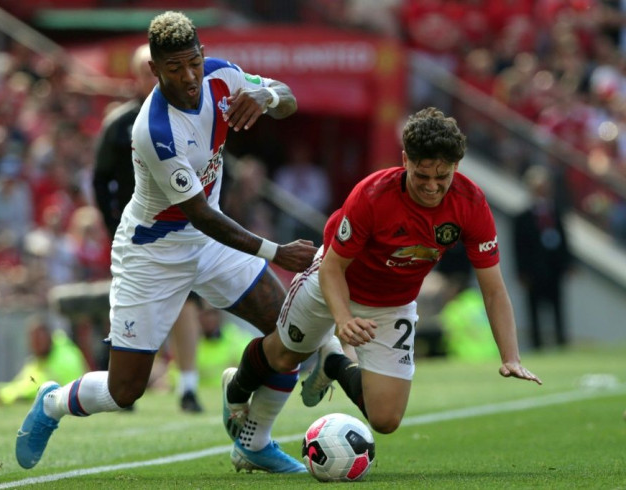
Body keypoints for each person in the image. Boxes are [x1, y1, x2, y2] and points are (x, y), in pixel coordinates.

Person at [15, 10, 316, 472]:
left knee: (291, 335)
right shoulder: (154, 130)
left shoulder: (222, 75)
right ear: (154, 71)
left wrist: (267, 94)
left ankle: (254, 442)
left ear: (204, 55)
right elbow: (199, 213)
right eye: (174, 68)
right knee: (124, 391)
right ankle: (53, 403)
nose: (189, 76)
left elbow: (290, 99)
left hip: (209, 243)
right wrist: (277, 252)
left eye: (193, 62)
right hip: (153, 254)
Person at [222, 107, 541, 462]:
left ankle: (334, 364)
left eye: (443, 176)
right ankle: (236, 387)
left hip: (392, 303)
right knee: (283, 357)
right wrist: (342, 321)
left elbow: (494, 289)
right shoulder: (372, 195)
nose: (433, 187)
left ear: (456, 167)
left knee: (386, 419)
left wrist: (510, 356)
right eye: (423, 175)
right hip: (334, 283)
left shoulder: (471, 203)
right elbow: (332, 268)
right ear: (405, 160)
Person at [92, 43, 205, 413]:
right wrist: (113, 225)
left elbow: (220, 168)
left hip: (186, 227)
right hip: (139, 233)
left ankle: (187, 384)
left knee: (186, 302)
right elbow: (100, 179)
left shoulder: (191, 113)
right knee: (133, 307)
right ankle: (122, 382)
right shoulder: (122, 123)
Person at [513, 164, 572, 349]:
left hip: (554, 267)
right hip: (534, 270)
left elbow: (564, 239)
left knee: (558, 306)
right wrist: (521, 271)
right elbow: (518, 246)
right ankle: (537, 343)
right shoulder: (522, 217)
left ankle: (561, 340)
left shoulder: (556, 212)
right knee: (534, 309)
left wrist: (568, 263)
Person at [0, 315, 88, 405]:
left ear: (48, 337)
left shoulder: (65, 358)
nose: (35, 343)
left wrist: (1, 396)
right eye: (32, 338)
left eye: (39, 338)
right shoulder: (40, 359)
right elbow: (21, 384)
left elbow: (40, 388)